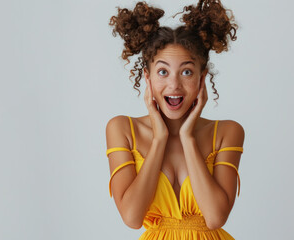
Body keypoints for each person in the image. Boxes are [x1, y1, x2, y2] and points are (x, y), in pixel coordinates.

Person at [105, 0, 245, 239]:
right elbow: (131, 217)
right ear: (147, 77)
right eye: (163, 72)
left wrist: (187, 137)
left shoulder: (227, 132)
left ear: (202, 78)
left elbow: (215, 217)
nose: (174, 85)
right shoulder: (122, 129)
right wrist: (160, 138)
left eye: (187, 72)